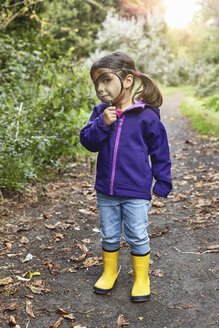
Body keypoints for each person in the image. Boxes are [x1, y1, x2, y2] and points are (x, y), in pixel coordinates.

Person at [80, 51, 172, 302]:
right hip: (105, 191)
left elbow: (160, 151)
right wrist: (102, 124)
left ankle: (141, 277)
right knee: (109, 234)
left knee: (137, 235)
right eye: (96, 83)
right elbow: (88, 142)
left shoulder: (146, 115)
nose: (100, 88)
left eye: (106, 80)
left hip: (136, 190)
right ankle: (110, 271)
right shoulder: (101, 112)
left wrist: (163, 180)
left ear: (128, 80)